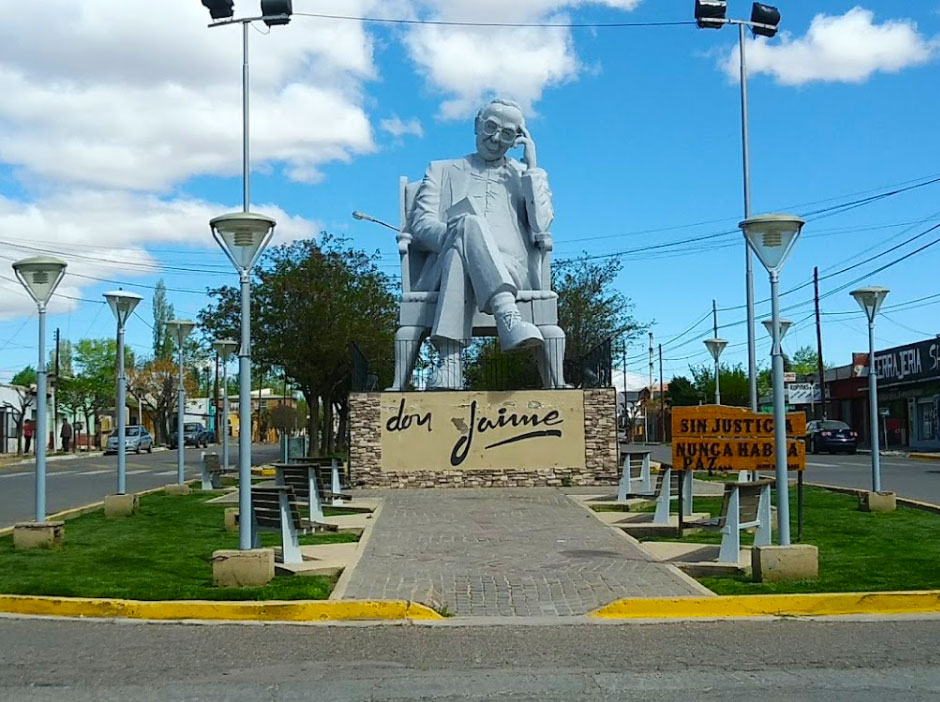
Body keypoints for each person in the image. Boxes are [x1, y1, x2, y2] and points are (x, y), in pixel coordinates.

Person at [410, 98, 554, 387]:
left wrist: (532, 166)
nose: (495, 138)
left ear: (516, 140)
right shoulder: (441, 170)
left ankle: (450, 363)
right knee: (465, 229)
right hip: (446, 266)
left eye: (507, 133)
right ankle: (506, 315)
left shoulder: (523, 174)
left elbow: (542, 224)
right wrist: (455, 234)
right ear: (477, 125)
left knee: (460, 246)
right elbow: (421, 225)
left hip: (512, 270)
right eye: (490, 127)